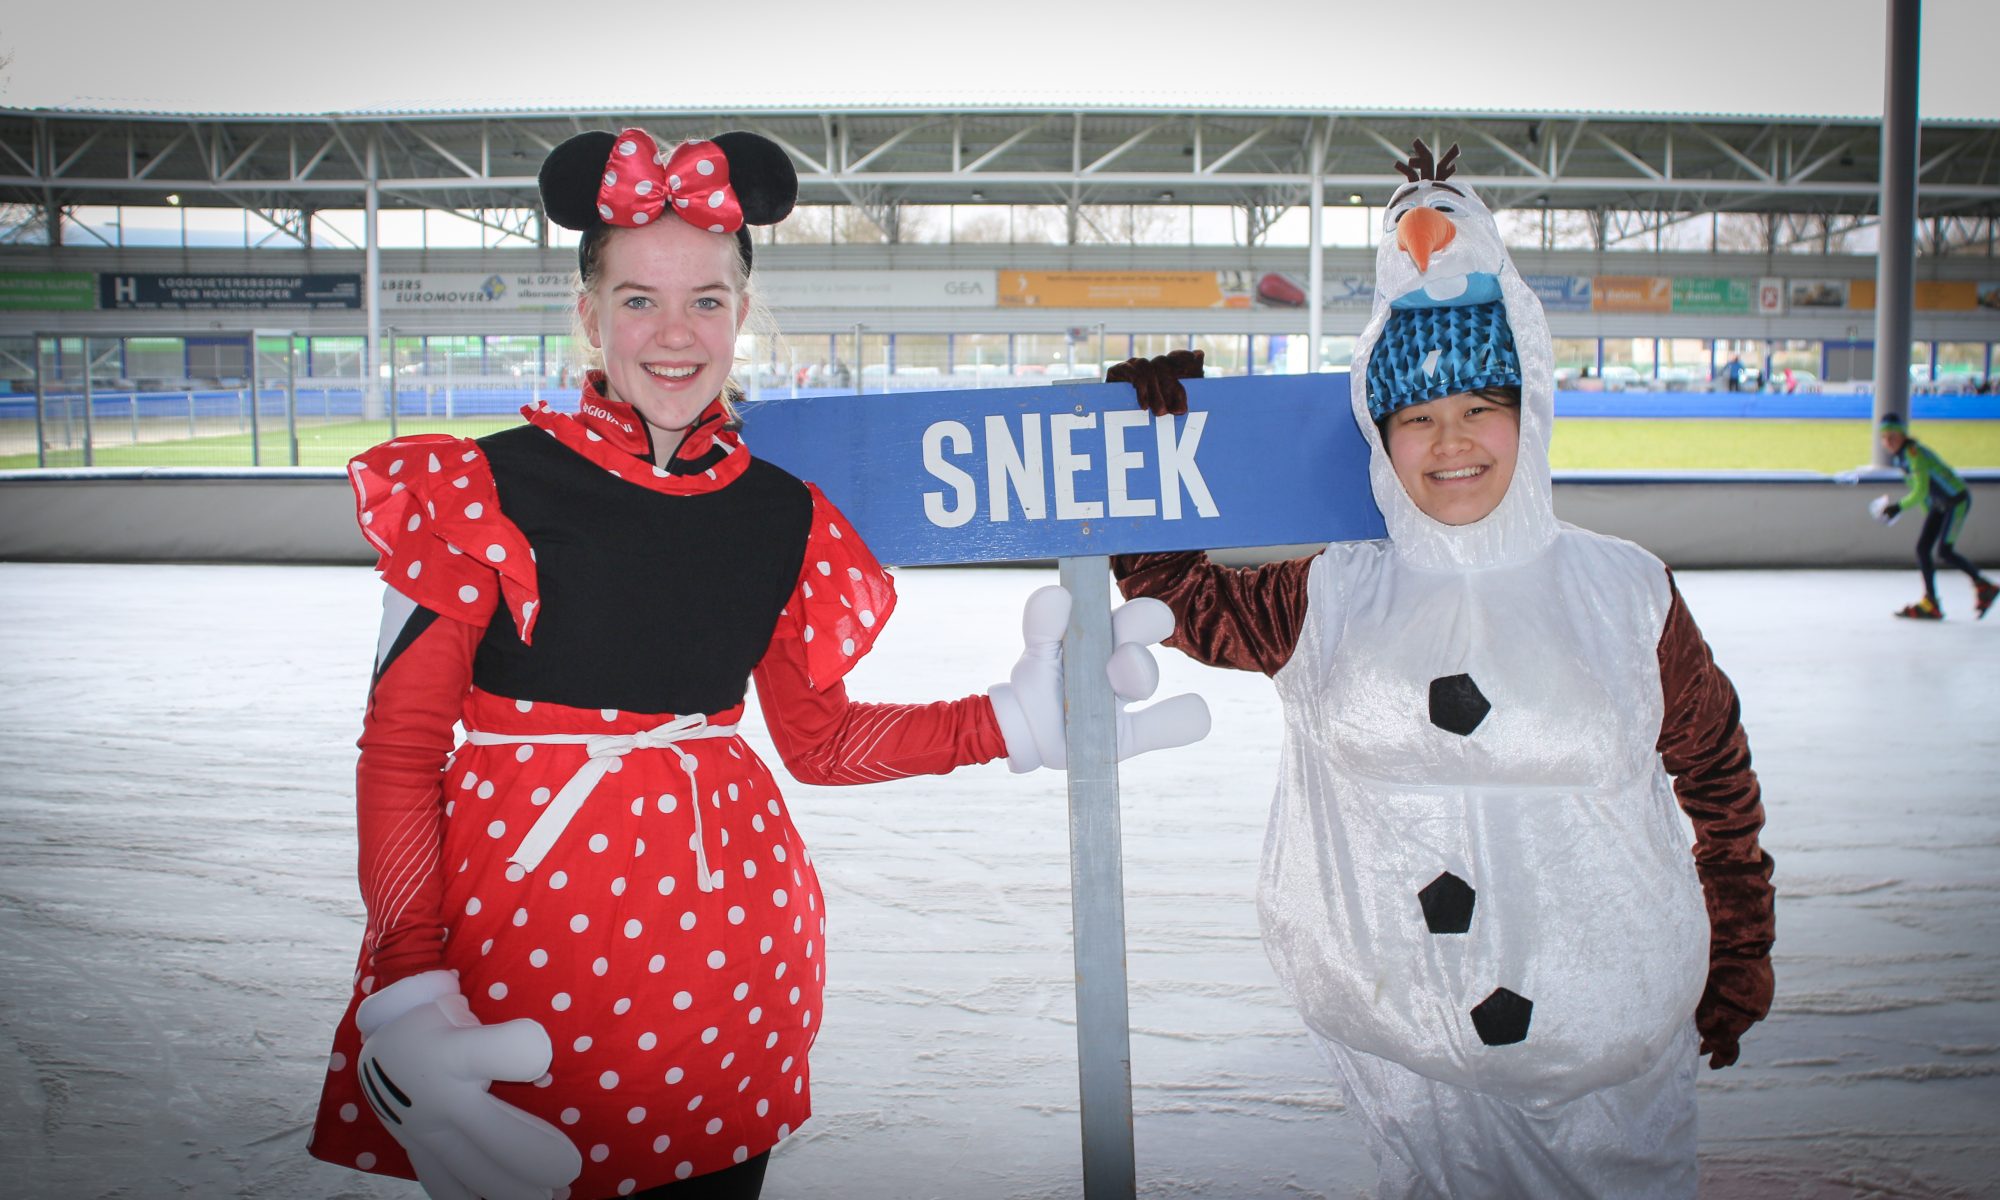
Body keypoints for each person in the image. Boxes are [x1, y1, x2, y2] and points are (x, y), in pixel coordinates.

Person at [307, 126, 1208, 1200]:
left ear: (744, 315)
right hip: (520, 949)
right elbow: (401, 748)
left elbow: (819, 743)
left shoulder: (781, 512)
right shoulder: (475, 489)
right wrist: (408, 979)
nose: (672, 334)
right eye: (637, 300)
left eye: (706, 300)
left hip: (734, 944)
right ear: (590, 317)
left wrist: (1003, 721)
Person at [1104, 140, 1774, 1198]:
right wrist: (1142, 447)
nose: (1448, 443)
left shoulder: (1625, 592)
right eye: (1415, 415)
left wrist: (1737, 940)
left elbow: (1715, 774)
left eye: (1478, 409)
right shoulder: (1327, 593)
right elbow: (1175, 598)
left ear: (1527, 412)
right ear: (1380, 431)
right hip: (1412, 1056)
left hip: (1609, 1058)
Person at [1871, 412, 1997, 620]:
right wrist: (1927, 515)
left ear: (1903, 435)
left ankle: (1984, 586)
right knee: (1923, 549)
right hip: (1940, 505)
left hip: (1956, 501)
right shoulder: (1902, 457)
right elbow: (1923, 493)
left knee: (1945, 551)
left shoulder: (1913, 454)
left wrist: (1898, 507)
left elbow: (1920, 490)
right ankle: (1931, 602)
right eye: (1884, 437)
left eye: (1893, 435)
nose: (1888, 441)